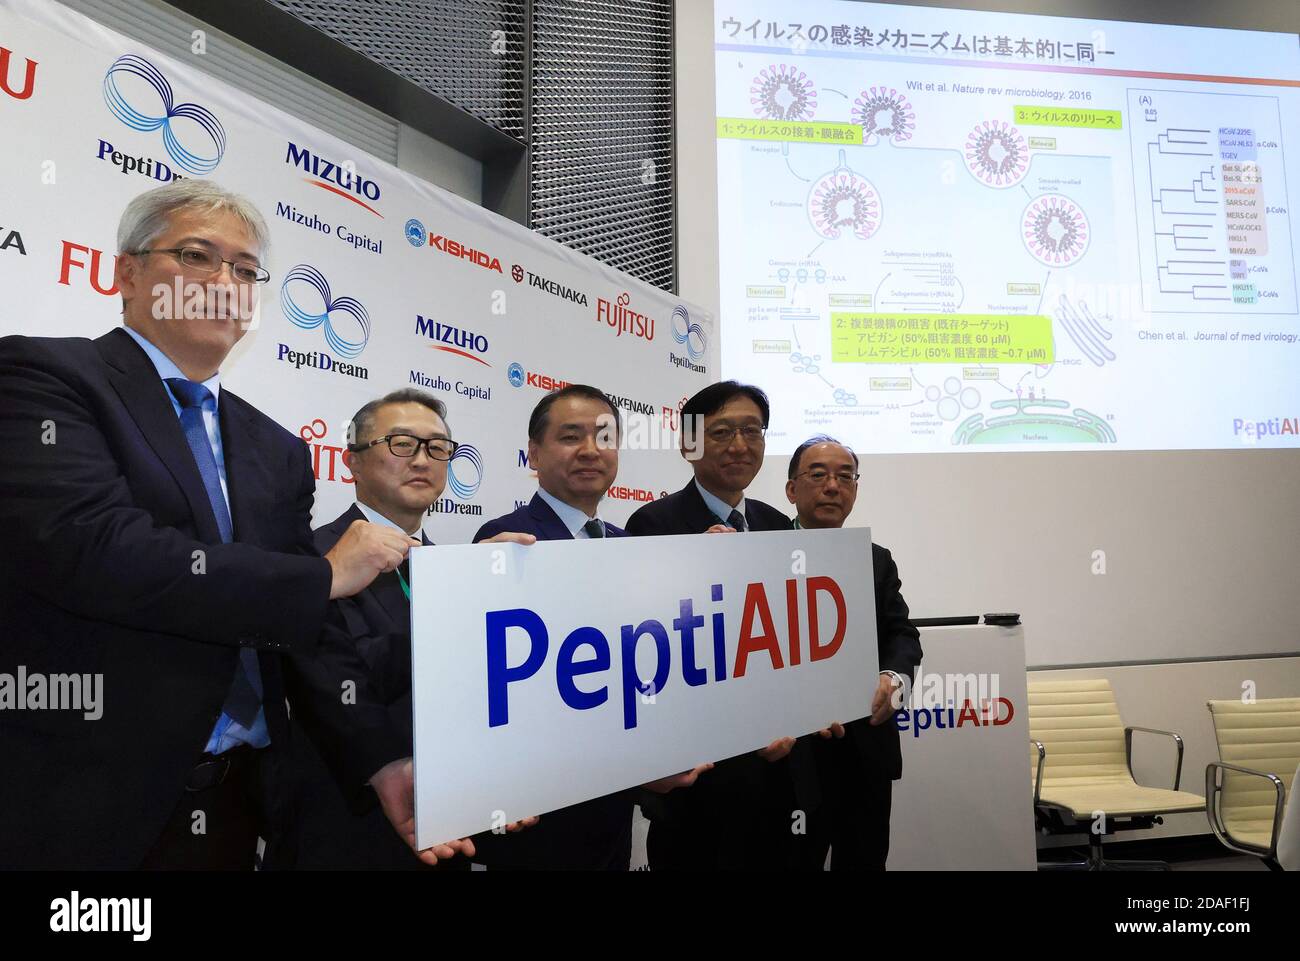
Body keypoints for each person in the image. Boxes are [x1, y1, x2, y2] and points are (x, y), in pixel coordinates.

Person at [0, 180, 468, 869]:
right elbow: (97, 550)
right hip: (81, 807)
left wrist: (382, 761)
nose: (225, 280)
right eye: (196, 255)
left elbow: (300, 630)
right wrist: (325, 573)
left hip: (236, 809)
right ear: (128, 273)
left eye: (246, 270)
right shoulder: (45, 376)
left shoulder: (275, 448)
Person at [287, 388, 536, 869]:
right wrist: (463, 610)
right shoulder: (311, 563)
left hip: (450, 828)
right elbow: (346, 681)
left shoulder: (461, 569)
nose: (423, 459)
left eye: (439, 448)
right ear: (353, 462)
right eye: (402, 443)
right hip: (346, 831)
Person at [472, 384, 708, 869]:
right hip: (537, 815)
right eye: (570, 436)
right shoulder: (503, 544)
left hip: (613, 809)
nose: (589, 451)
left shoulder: (630, 548)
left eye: (603, 437)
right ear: (534, 453)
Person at [624, 380, 806, 870]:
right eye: (722, 432)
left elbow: (789, 641)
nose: (740, 445)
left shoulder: (777, 526)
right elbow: (646, 653)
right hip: (697, 784)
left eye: (753, 431)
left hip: (777, 774)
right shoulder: (652, 524)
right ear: (689, 444)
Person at [784, 435, 922, 870]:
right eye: (819, 475)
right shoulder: (758, 552)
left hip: (864, 751)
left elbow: (902, 635)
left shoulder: (876, 559)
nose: (833, 487)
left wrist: (894, 677)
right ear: (791, 489)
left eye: (846, 477)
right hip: (790, 760)